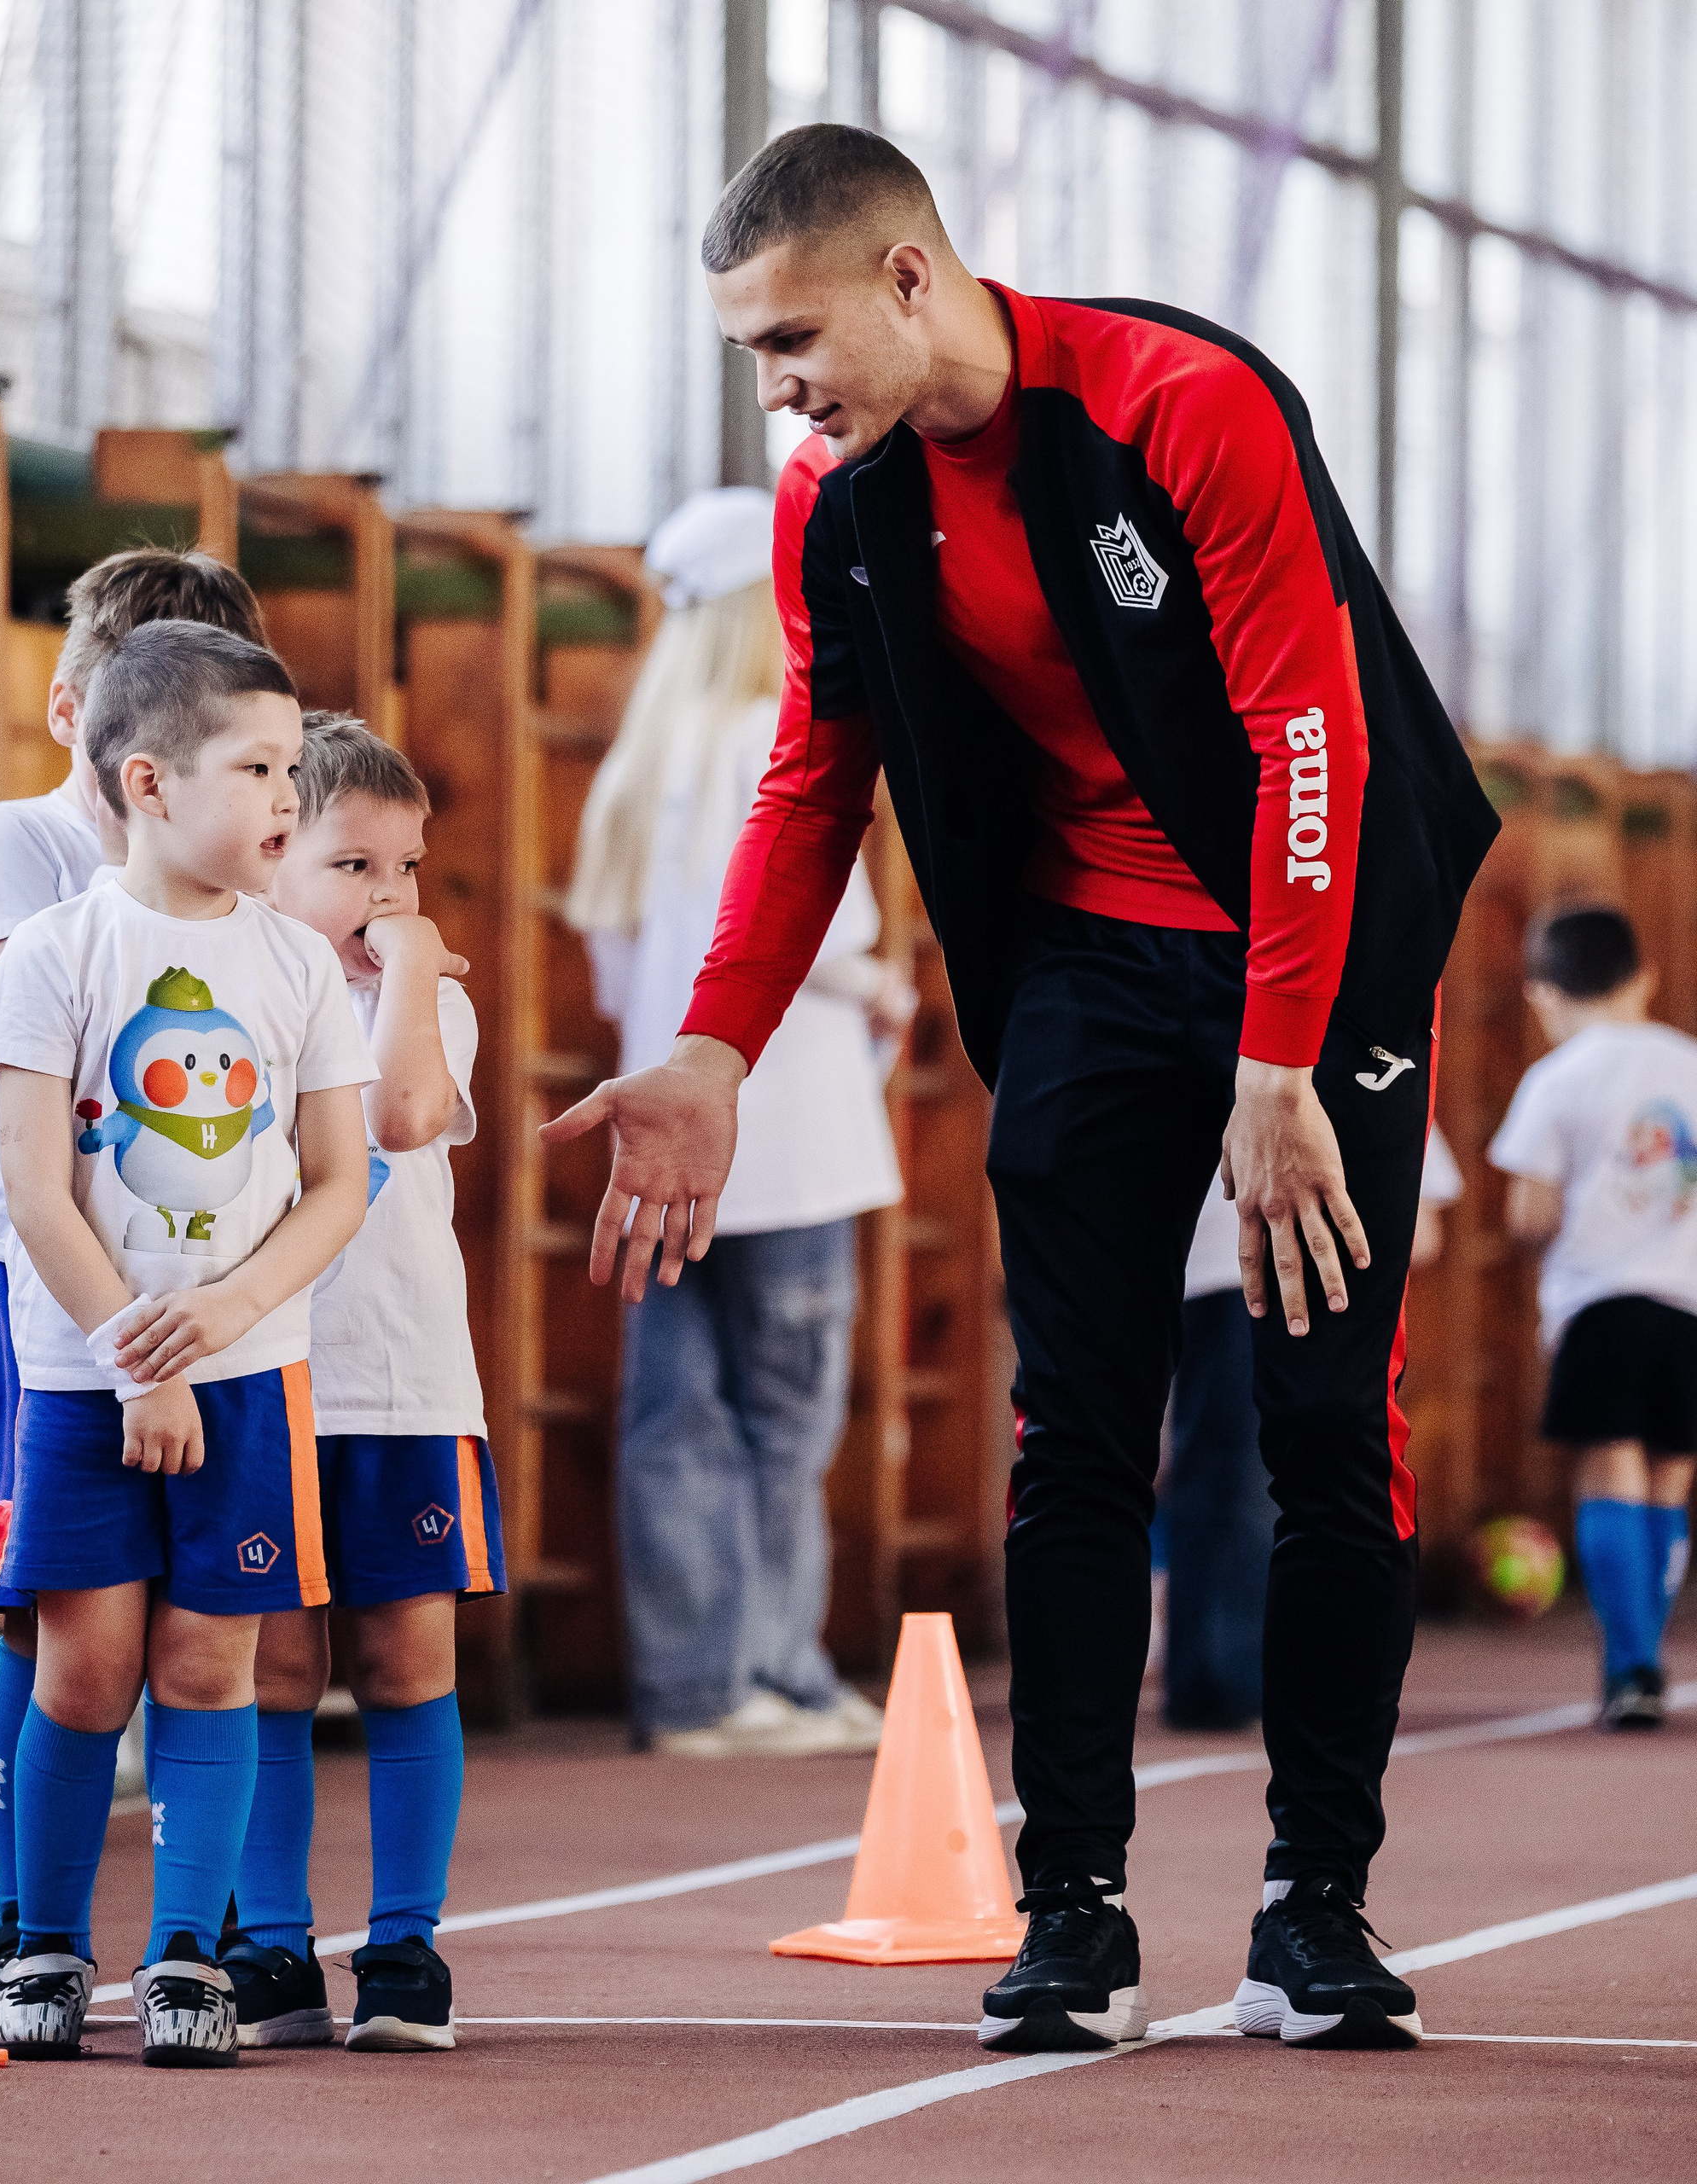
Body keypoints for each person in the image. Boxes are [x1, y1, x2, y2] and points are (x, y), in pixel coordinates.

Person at [540, 124, 1499, 2055]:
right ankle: (1071, 1903)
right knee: (1075, 1430)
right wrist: (716, 1042)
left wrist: (1282, 1056)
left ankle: (1317, 1898)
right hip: (1080, 964)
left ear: (910, 277)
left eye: (788, 338)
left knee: (1323, 1421)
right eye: (747, 356)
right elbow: (814, 776)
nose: (774, 392)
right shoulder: (836, 503)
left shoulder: (1181, 404)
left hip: (1311, 944)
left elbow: (1303, 733)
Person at [0, 623, 375, 2065]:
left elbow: (337, 1184)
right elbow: (31, 1182)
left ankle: (189, 1956)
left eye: (292, 768)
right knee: (84, 1671)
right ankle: (44, 1944)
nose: (286, 796)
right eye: (257, 768)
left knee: (214, 1665)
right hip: (91, 1374)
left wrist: (227, 1319)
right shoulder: (57, 957)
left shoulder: (299, 968)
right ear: (147, 781)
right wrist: (142, 1358)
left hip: (247, 1373)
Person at [0, 548, 270, 2035]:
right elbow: (59, 1068)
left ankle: (217, 1929)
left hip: (222, 1299)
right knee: (53, 1619)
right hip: (62, 1295)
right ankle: (33, 1921)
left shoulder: (252, 881)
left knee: (214, 1633)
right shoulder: (29, 845)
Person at [562, 486, 910, 1757]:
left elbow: (612, 970)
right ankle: (776, 1670)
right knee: (785, 1419)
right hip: (792, 1132)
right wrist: (882, 984)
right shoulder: (775, 728)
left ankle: (697, 1686)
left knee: (675, 1417)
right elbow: (826, 933)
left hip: (664, 1139)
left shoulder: (644, 761)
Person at [214, 712, 503, 2053]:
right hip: (273, 1375)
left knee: (404, 1659)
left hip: (402, 1384)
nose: (388, 897)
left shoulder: (427, 1001)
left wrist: (410, 967)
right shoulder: (232, 994)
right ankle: (271, 1946)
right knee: (274, 1664)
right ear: (272, 861)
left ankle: (403, 1947)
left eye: (408, 869)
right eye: (350, 868)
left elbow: (400, 1117)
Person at [1161, 1129, 1464, 1732]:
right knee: (1272, 1481)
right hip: (1299, 1287)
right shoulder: (1373, 1058)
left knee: (1209, 1473)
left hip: (1205, 1279)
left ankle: (1202, 1675)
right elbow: (1422, 1230)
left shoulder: (1204, 1045)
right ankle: (1244, 1675)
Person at [1489, 904, 1695, 1730]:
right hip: (1687, 1300)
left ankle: (1629, 1663)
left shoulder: (1557, 1077)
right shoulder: (1687, 1062)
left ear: (1541, 994)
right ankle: (1650, 1656)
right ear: (1643, 977)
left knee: (1607, 1465)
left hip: (1601, 1298)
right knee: (1670, 1472)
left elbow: (1528, 1211)